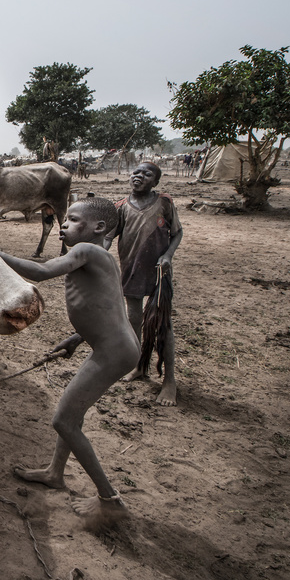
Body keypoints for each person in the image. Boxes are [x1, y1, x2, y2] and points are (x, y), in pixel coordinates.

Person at [0, 197, 140, 520]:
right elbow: (108, 307)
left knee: (62, 419)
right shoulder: (102, 257)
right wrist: (78, 339)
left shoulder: (86, 251)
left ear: (98, 228)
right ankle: (55, 472)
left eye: (73, 220)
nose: (63, 224)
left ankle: (110, 500)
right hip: (117, 344)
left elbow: (40, 271)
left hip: (112, 351)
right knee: (73, 409)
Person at [105, 161, 183, 406]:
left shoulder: (164, 203)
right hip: (131, 270)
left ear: (155, 182)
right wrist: (96, 253)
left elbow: (177, 233)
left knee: (162, 324)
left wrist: (168, 255)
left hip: (160, 271)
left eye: (147, 173)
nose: (139, 176)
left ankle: (169, 381)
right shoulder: (120, 207)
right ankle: (139, 366)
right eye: (136, 172)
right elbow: (108, 236)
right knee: (134, 320)